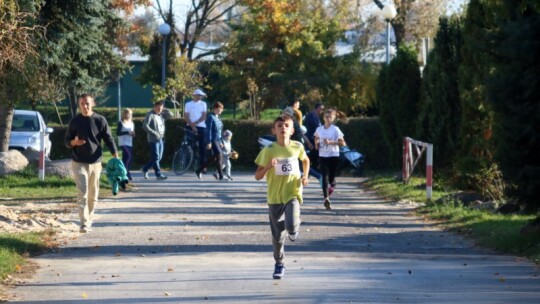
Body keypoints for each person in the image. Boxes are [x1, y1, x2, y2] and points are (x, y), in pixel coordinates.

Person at [255, 115, 310, 280]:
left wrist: (305, 176)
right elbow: (257, 176)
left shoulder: (297, 147)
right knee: (278, 237)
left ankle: (294, 228)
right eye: (279, 126)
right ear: (274, 130)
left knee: (291, 225)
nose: (283, 128)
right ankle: (279, 264)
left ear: (292, 130)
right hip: (274, 197)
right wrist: (268, 168)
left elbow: (306, 160)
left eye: (287, 126)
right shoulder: (269, 150)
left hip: (292, 192)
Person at [64, 93, 118, 233]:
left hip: (95, 162)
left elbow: (109, 139)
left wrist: (115, 155)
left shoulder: (100, 120)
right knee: (82, 193)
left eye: (87, 103)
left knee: (93, 196)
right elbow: (66, 141)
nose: (85, 106)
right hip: (79, 162)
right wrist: (73, 142)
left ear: (93, 103)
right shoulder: (75, 121)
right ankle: (84, 223)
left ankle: (89, 218)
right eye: (82, 104)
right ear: (79, 105)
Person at [314, 108, 347, 210]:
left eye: (330, 117)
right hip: (323, 155)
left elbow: (343, 143)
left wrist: (331, 143)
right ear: (323, 117)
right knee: (324, 176)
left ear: (333, 118)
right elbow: (316, 139)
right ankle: (326, 198)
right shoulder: (319, 129)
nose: (328, 119)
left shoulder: (335, 129)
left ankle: (331, 187)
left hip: (333, 155)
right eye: (326, 117)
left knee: (331, 178)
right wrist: (317, 144)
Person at [196, 102, 224, 180]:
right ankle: (221, 176)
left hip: (218, 140)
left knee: (214, 157)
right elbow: (208, 130)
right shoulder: (210, 117)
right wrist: (209, 142)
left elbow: (220, 131)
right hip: (213, 140)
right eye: (219, 109)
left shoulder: (218, 118)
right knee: (219, 154)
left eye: (221, 109)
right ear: (214, 109)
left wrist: (221, 141)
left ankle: (199, 170)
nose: (220, 111)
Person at [141, 101, 167, 180]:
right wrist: (154, 132)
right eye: (158, 107)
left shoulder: (161, 115)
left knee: (158, 158)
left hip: (161, 138)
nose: (159, 109)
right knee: (156, 157)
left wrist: (165, 109)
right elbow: (145, 126)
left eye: (161, 107)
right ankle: (158, 174)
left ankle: (145, 169)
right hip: (153, 139)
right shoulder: (150, 115)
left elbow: (171, 115)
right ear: (154, 107)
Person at [185, 88, 208, 170]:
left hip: (201, 127)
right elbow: (186, 116)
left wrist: (196, 123)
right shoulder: (188, 104)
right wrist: (192, 126)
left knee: (203, 147)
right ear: (194, 95)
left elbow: (204, 116)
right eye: (199, 95)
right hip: (190, 127)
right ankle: (186, 164)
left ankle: (203, 167)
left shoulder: (203, 104)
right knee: (188, 146)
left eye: (201, 95)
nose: (200, 97)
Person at [304, 103, 325, 181]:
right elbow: (316, 127)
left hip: (316, 139)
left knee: (316, 157)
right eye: (321, 109)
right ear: (317, 108)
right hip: (311, 139)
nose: (322, 111)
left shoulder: (316, 116)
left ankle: (311, 173)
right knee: (314, 157)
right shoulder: (311, 116)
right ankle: (312, 173)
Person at [116, 108, 135, 180]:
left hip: (129, 142)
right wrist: (127, 132)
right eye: (127, 114)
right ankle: (126, 172)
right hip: (123, 142)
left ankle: (124, 171)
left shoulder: (131, 123)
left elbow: (132, 132)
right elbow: (118, 133)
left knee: (129, 158)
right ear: (124, 114)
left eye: (130, 114)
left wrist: (133, 134)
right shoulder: (121, 122)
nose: (129, 115)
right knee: (128, 155)